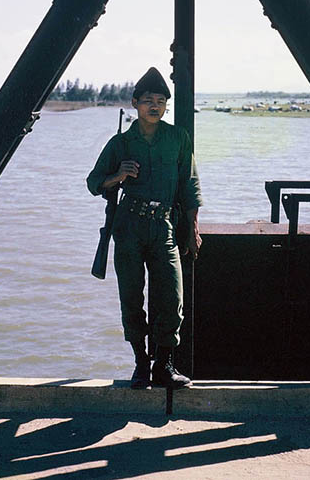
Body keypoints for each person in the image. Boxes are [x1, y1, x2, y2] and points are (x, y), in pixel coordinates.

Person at [87, 67, 202, 389]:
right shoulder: (120, 143)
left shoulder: (178, 138)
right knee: (131, 297)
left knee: (171, 296)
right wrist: (117, 176)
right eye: (148, 100)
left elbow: (189, 184)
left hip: (164, 226)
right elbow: (93, 183)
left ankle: (164, 367)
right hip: (129, 227)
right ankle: (140, 365)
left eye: (161, 101)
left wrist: (192, 228)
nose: (155, 106)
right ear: (135, 104)